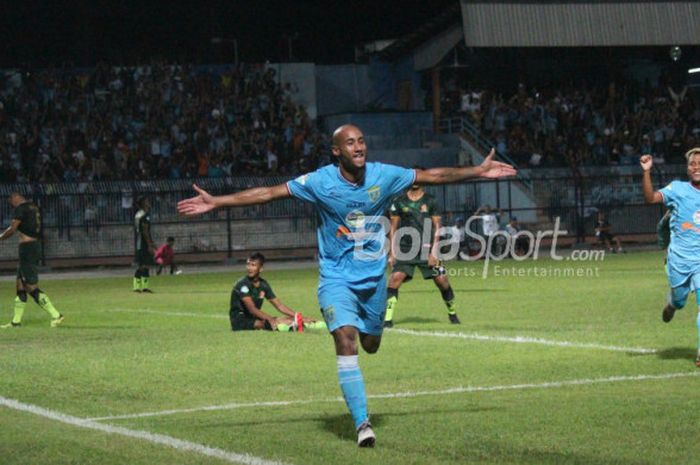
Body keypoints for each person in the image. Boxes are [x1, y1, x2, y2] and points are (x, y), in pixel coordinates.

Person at [177, 124, 516, 446]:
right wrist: (217, 201)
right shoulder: (319, 181)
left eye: (362, 141)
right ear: (336, 151)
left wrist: (478, 171)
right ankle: (362, 423)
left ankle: (370, 351)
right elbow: (269, 193)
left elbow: (433, 175)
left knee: (370, 344)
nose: (359, 147)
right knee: (346, 338)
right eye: (351, 143)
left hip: (372, 282)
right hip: (335, 279)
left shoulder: (384, 174)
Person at [640, 149, 700, 367]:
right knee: (680, 300)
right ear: (687, 169)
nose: (696, 167)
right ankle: (673, 304)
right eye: (692, 164)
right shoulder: (678, 189)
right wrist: (647, 172)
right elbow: (650, 198)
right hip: (679, 261)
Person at [384, 181, 460, 328]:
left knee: (442, 280)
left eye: (418, 179)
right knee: (395, 279)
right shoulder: (398, 202)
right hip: (406, 250)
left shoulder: (431, 200)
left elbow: (437, 226)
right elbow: (392, 227)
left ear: (423, 182)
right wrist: (392, 252)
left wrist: (434, 252)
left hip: (427, 248)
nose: (415, 182)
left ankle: (453, 313)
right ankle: (387, 320)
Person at [0, 192, 64, 328]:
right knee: (20, 285)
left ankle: (56, 315)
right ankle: (16, 322)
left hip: (27, 249)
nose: (11, 205)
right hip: (33, 246)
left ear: (15, 198)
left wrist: (0, 237)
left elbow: (12, 229)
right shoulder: (34, 206)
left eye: (10, 202)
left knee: (30, 287)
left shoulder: (20, 208)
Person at [230, 252, 325, 332]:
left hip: (253, 317)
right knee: (267, 323)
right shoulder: (242, 285)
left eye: (253, 265)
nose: (249, 268)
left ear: (261, 268)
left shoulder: (263, 284)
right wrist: (271, 319)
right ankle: (290, 327)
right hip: (239, 320)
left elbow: (279, 305)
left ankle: (306, 323)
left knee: (284, 319)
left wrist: (298, 316)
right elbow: (252, 309)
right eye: (248, 264)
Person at [134, 197, 155, 293]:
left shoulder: (138, 214)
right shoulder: (144, 216)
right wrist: (149, 244)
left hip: (139, 242)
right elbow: (145, 231)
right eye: (147, 201)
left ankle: (143, 287)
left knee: (145, 265)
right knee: (144, 265)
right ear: (143, 203)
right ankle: (137, 287)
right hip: (143, 243)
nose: (149, 202)